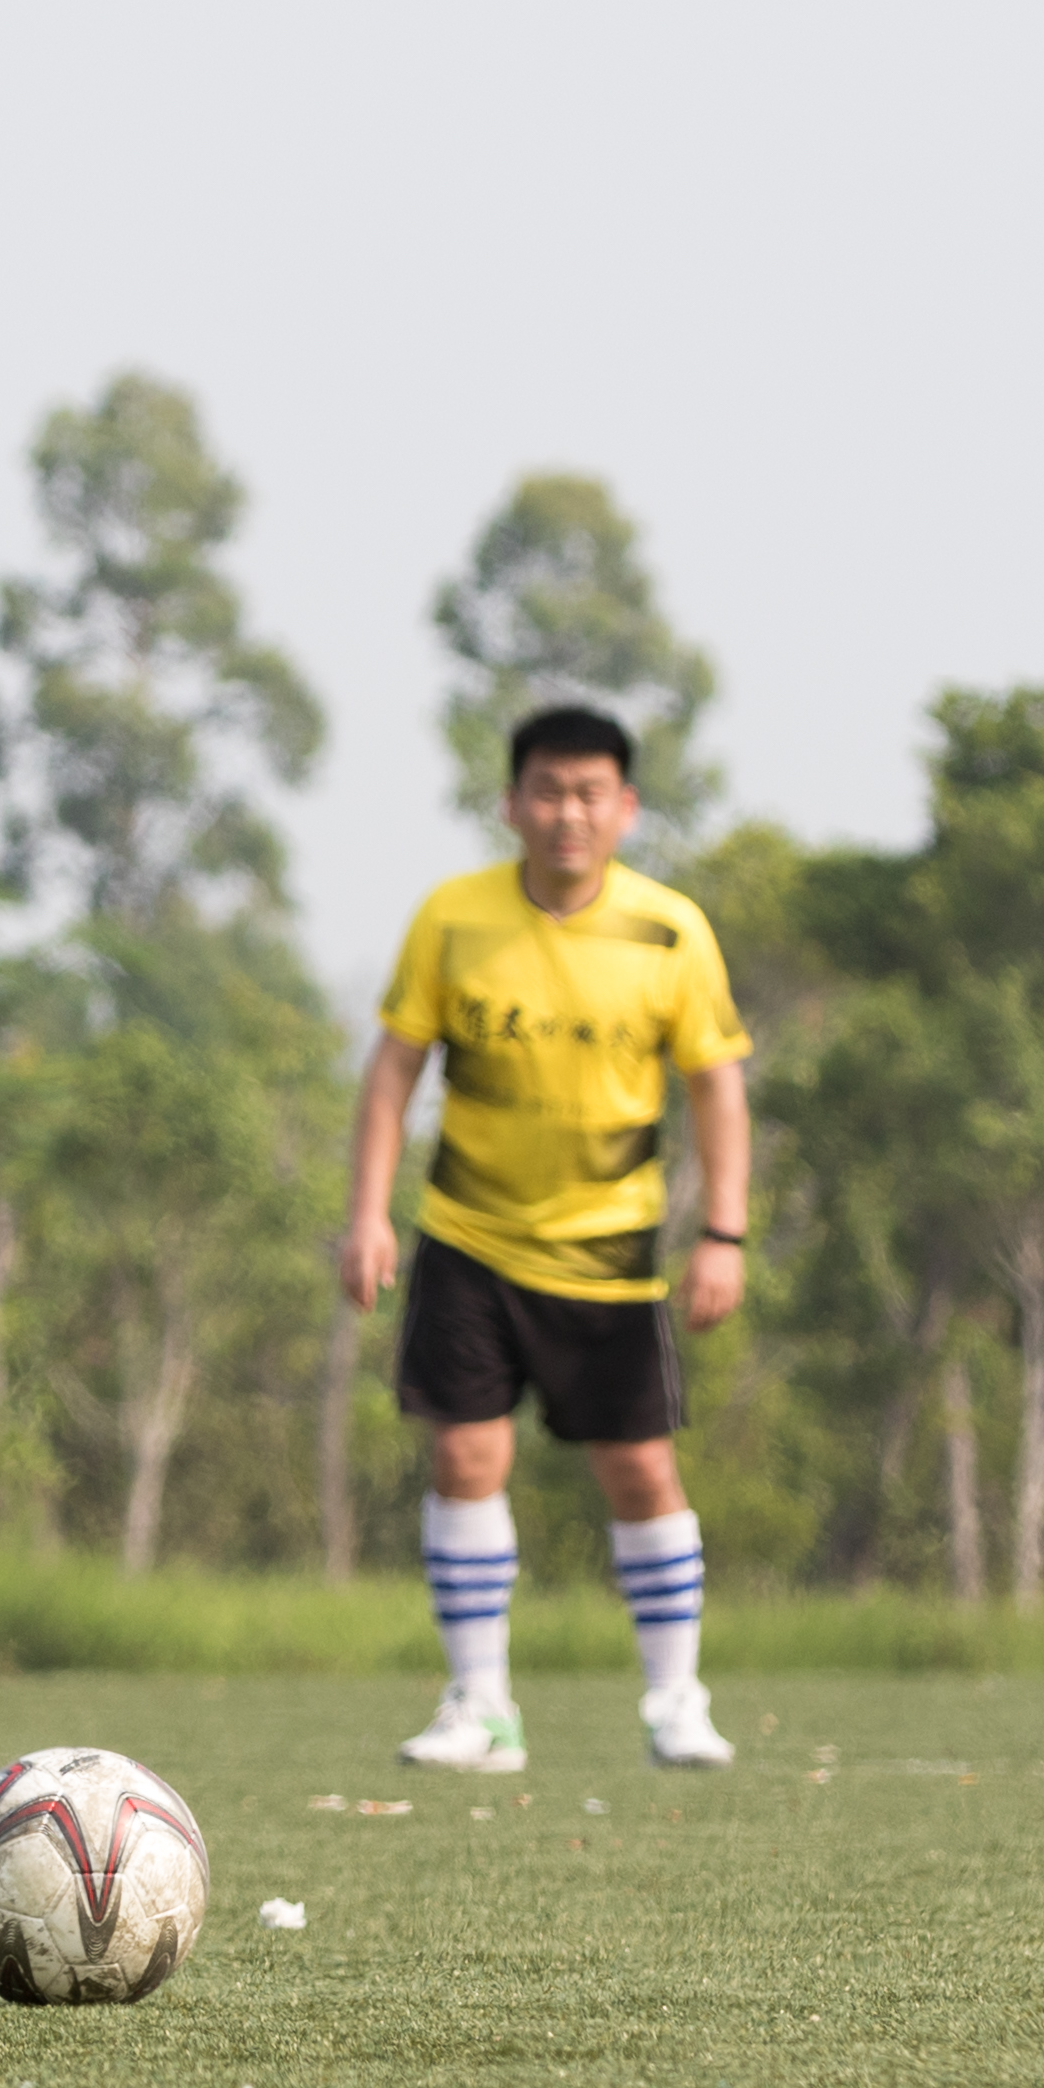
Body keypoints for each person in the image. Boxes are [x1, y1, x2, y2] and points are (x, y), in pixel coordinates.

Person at [343, 703, 752, 1773]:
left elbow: (716, 1085)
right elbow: (392, 1070)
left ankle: (676, 1701)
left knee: (639, 1468)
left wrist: (723, 1232)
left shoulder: (669, 929)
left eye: (588, 793)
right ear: (510, 803)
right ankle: (479, 1706)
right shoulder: (451, 917)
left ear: (625, 807)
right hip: (467, 1237)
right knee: (463, 1454)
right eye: (546, 791)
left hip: (607, 1250)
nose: (567, 813)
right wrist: (366, 1214)